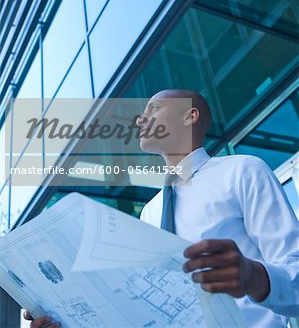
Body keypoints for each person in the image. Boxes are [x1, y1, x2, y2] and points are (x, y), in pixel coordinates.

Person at [24, 89, 299, 327]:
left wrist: (255, 277)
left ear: (189, 116)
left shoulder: (242, 171)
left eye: (154, 108)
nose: (140, 118)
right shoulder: (150, 211)